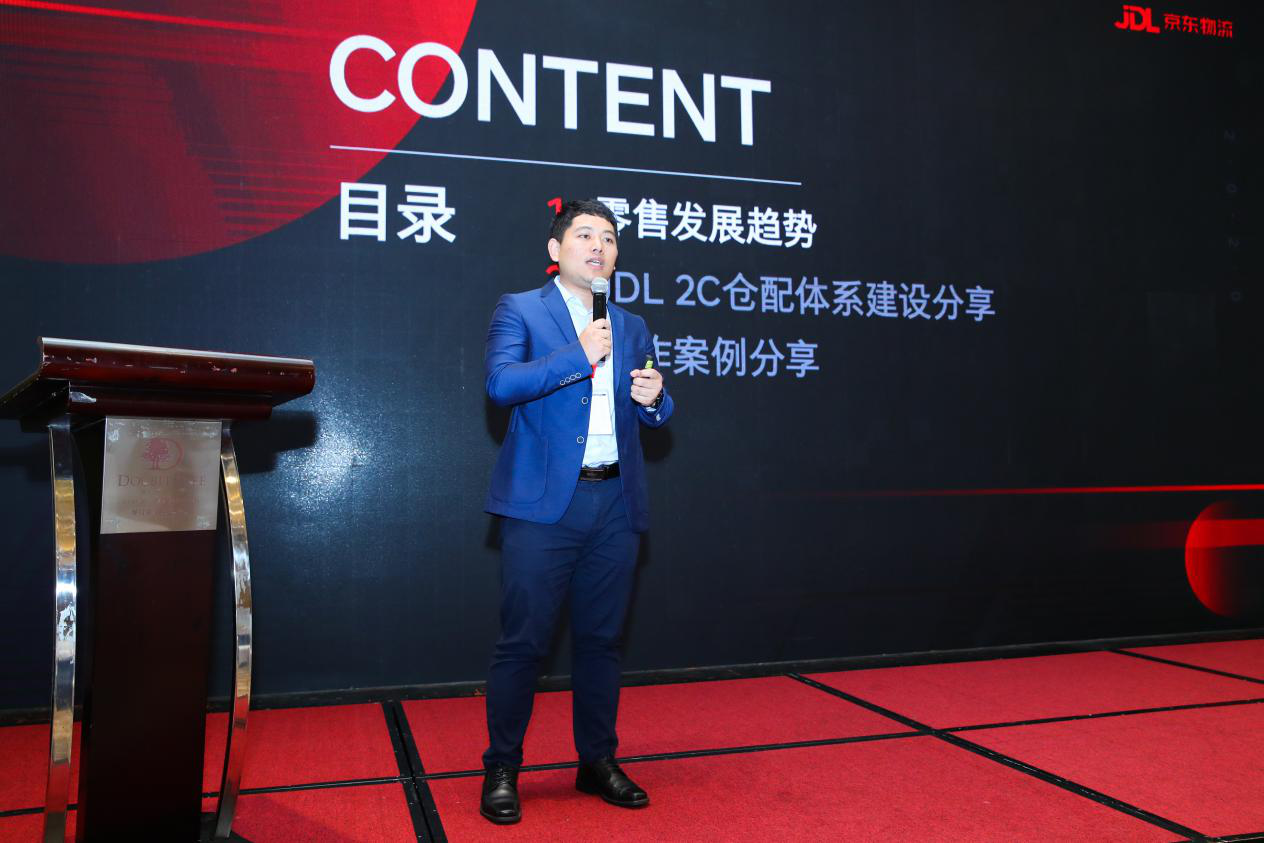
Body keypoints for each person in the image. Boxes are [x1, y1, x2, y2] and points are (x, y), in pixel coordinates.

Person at [480, 199, 673, 824]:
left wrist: (655, 399)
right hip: (543, 508)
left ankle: (597, 761)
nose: (599, 246)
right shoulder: (521, 309)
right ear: (555, 250)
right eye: (585, 234)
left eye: (609, 238)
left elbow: (653, 410)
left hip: (614, 502)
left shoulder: (632, 324)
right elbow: (501, 385)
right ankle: (502, 767)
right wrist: (579, 353)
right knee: (523, 645)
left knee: (601, 642)